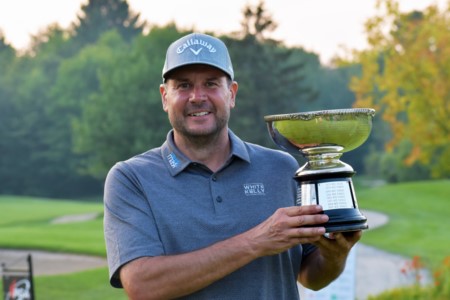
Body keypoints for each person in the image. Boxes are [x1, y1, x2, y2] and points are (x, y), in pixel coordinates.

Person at [103, 32, 361, 300]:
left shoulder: (281, 168)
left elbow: (310, 276)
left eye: (211, 83)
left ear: (232, 94)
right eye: (183, 85)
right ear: (164, 97)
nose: (197, 97)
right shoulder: (131, 178)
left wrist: (335, 254)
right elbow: (142, 285)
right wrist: (257, 241)